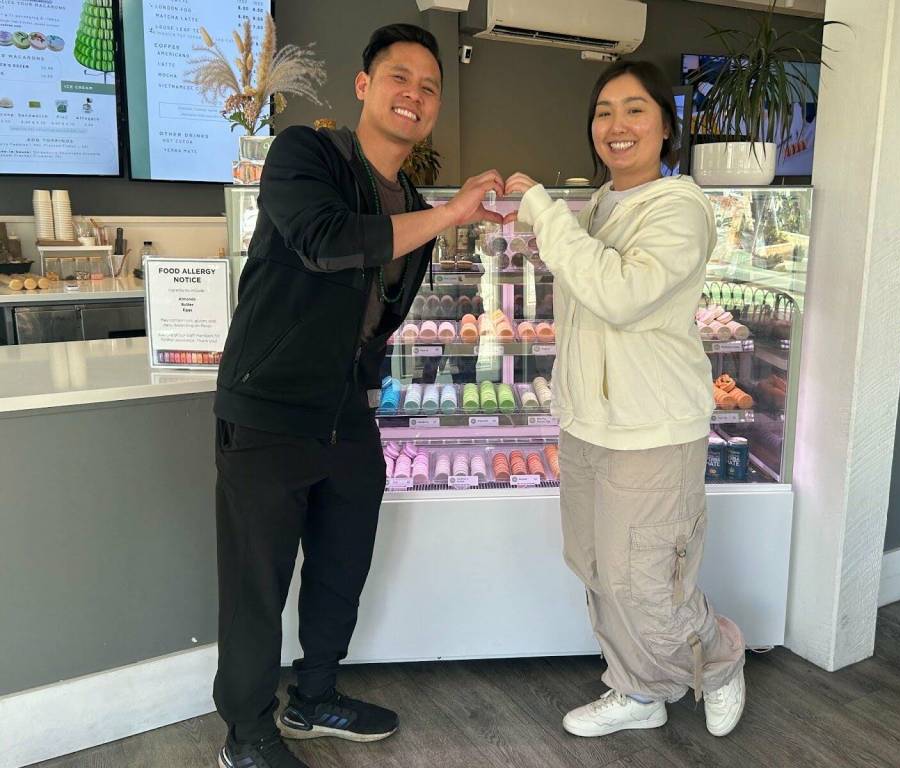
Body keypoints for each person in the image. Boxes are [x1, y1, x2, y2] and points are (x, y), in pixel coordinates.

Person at [212, 24, 503, 768]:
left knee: (342, 564)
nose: (416, 95)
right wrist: (449, 214)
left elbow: (383, 312)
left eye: (430, 87)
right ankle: (246, 736)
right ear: (365, 87)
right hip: (269, 405)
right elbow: (325, 240)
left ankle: (315, 697)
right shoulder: (303, 153)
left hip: (345, 410)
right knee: (258, 584)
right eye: (400, 77)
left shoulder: (407, 196)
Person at [504, 60, 746, 739]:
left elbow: (618, 294)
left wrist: (547, 214)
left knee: (646, 583)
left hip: (652, 430)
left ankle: (722, 660)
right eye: (604, 111)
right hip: (590, 424)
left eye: (635, 109)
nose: (616, 125)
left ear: (665, 126)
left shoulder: (680, 208)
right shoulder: (603, 205)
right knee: (598, 568)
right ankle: (638, 689)